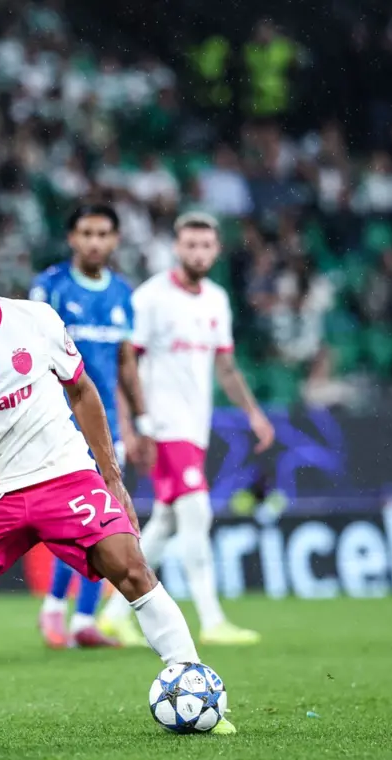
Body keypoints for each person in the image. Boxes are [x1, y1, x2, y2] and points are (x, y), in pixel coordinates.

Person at [0, 218, 235, 736]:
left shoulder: (36, 320)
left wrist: (111, 477)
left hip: (64, 476)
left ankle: (199, 687)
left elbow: (83, 391)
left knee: (132, 569)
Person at [98, 212, 273, 646]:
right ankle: (212, 621)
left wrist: (253, 413)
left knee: (168, 521)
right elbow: (127, 367)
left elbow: (226, 367)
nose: (198, 252)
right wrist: (132, 428)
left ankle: (113, 614)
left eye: (206, 245)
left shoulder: (216, 299)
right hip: (162, 424)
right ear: (177, 248)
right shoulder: (151, 298)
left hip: (195, 426)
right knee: (197, 512)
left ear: (216, 250)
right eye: (190, 245)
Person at [28, 204, 148, 649]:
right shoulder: (50, 288)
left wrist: (140, 425)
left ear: (115, 240)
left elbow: (125, 369)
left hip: (106, 425)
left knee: (105, 519)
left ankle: (79, 618)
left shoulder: (122, 294)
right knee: (83, 519)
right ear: (72, 238)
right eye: (86, 233)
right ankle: (58, 610)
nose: (95, 241)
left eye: (103, 234)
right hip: (55, 423)